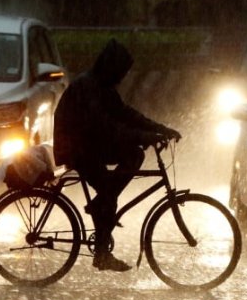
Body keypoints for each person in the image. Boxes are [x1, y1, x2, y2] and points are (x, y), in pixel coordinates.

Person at [53, 39, 181, 272]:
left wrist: (160, 129)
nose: (121, 77)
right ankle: (101, 250)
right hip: (76, 149)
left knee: (133, 157)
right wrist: (145, 137)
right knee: (110, 192)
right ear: (111, 67)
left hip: (89, 145)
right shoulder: (88, 86)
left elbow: (125, 114)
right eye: (120, 72)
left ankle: (102, 202)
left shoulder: (102, 86)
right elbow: (108, 127)